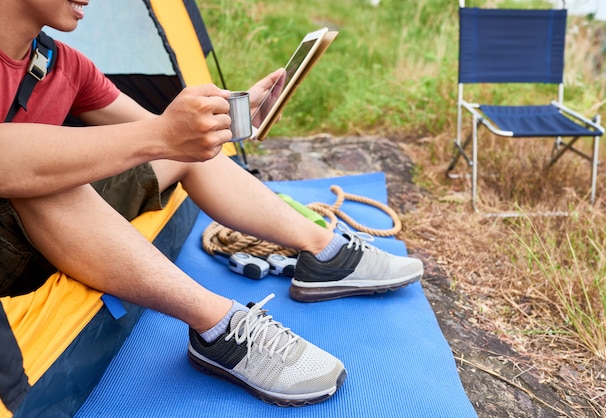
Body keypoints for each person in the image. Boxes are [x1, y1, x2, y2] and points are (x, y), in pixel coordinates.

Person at [0, 0, 423, 407]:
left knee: (180, 153)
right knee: (41, 181)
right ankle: (218, 325)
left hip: (46, 228)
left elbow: (153, 133)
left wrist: (224, 118)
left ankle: (324, 253)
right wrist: (162, 135)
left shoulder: (63, 64)